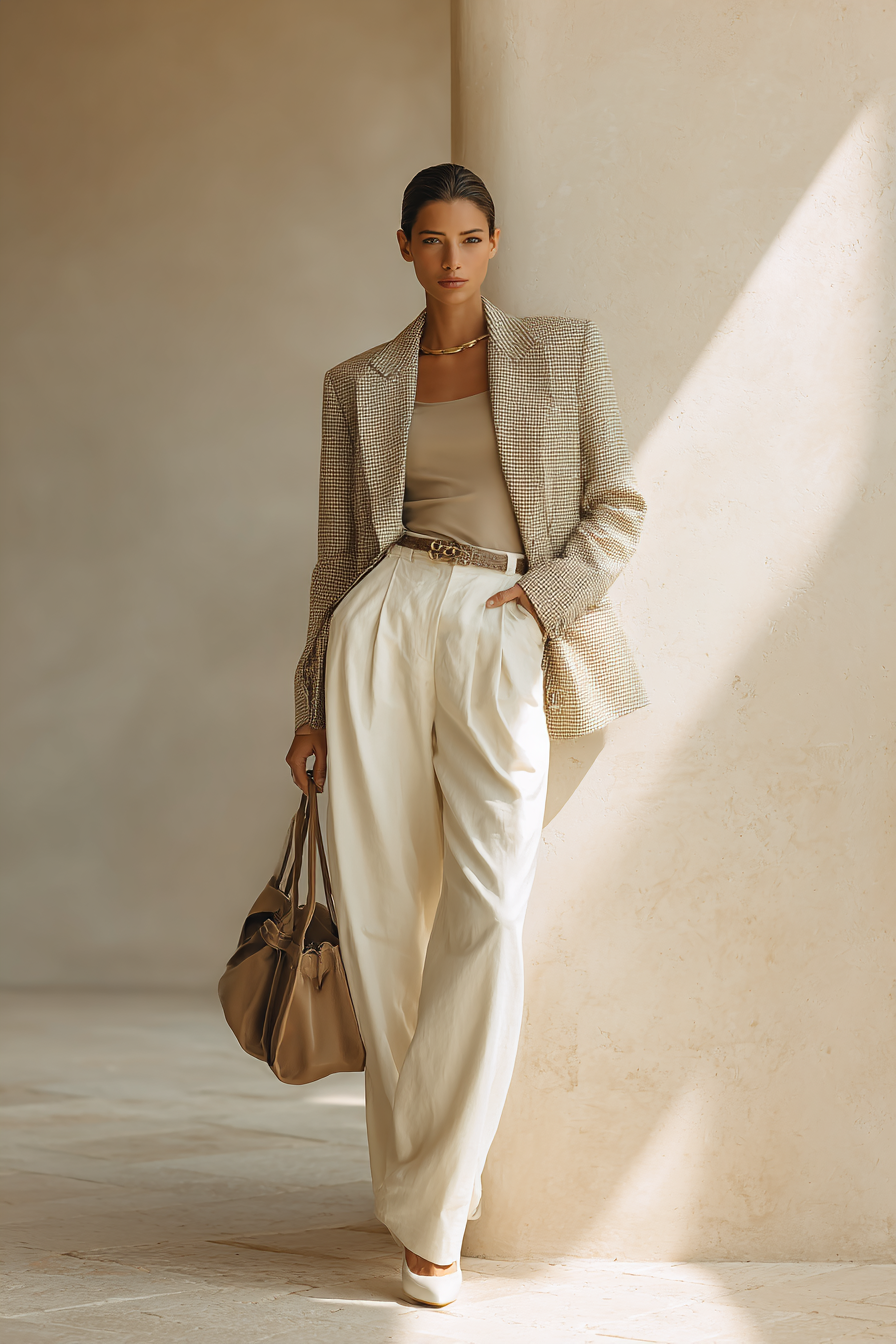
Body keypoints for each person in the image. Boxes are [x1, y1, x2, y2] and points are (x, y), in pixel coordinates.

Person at [286, 163, 647, 1307]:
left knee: (484, 911)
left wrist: (548, 599)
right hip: (384, 622)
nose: (452, 257)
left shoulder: (557, 350)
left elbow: (617, 503)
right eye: (432, 238)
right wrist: (306, 701)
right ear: (401, 246)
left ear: (495, 244)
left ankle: (434, 1205)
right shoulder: (361, 381)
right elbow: (336, 552)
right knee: (389, 922)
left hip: (503, 621)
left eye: (471, 237)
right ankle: (418, 1201)